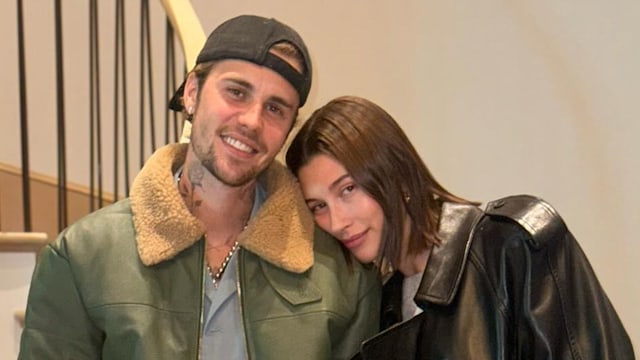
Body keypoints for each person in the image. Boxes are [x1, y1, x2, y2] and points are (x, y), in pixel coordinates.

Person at [18, 16, 380, 360]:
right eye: (237, 92)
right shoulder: (82, 257)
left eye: (275, 109)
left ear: (287, 129)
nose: (252, 121)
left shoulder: (340, 274)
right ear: (192, 92)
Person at [286, 95, 635, 359]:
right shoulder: (383, 307)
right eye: (318, 206)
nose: (337, 221)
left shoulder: (510, 243)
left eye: (348, 189)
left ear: (398, 175)